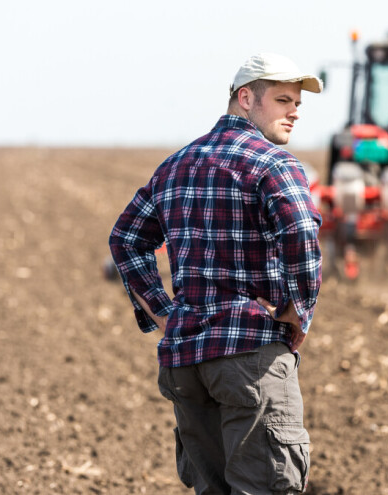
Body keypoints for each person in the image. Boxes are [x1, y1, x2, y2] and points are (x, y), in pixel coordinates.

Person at [109, 53, 323, 494]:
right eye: (283, 99)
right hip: (249, 358)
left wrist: (166, 314)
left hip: (186, 364)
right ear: (246, 98)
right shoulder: (275, 165)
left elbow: (126, 238)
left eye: (297, 102)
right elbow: (301, 230)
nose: (295, 111)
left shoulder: (175, 165)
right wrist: (299, 311)